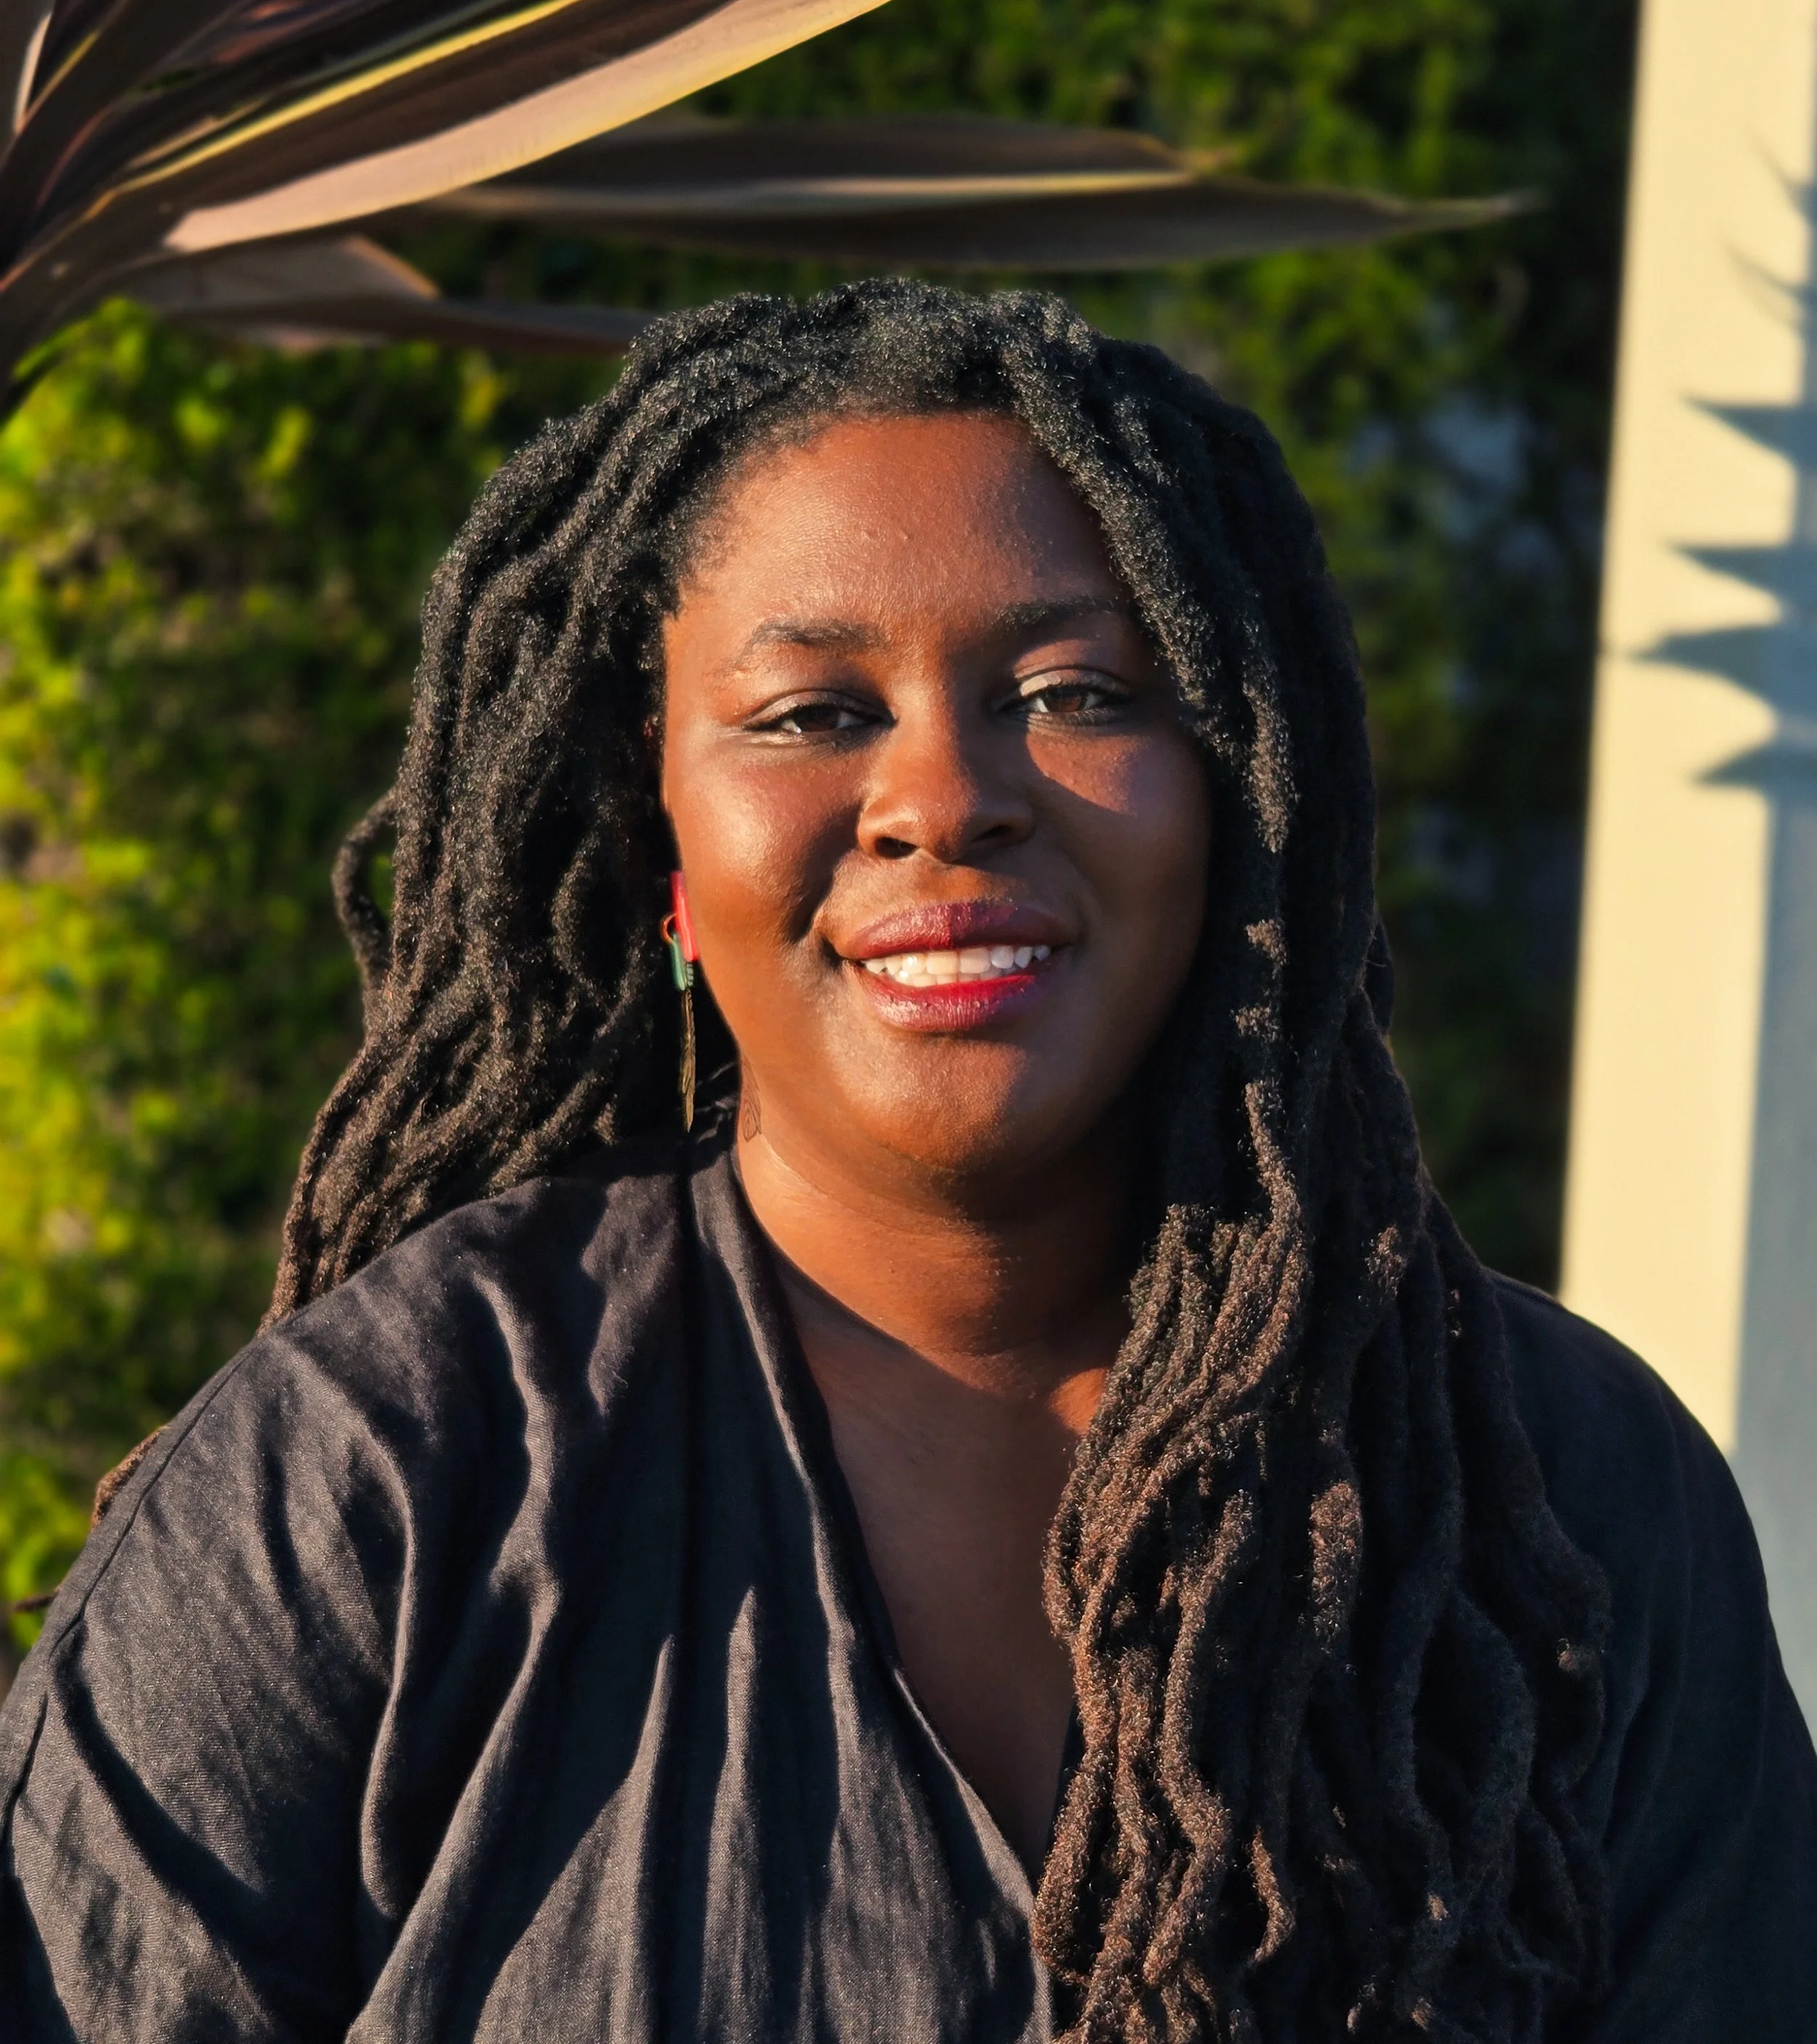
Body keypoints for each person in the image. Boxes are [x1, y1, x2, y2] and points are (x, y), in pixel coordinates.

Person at [1, 281, 1812, 2044]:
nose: (942, 794)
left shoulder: (1559, 1489)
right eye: (812, 712)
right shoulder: (386, 1469)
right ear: (659, 852)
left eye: (1075, 689)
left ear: (1241, 796)